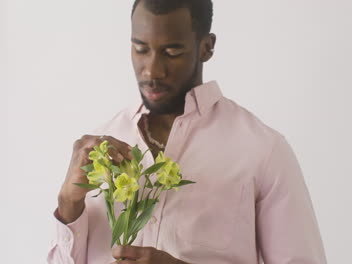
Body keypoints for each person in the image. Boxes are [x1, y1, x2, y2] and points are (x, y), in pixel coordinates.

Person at [47, 0, 327, 263]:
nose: (152, 71)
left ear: (206, 47)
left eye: (172, 52)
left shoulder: (263, 151)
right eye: (141, 49)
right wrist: (68, 204)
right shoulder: (99, 148)